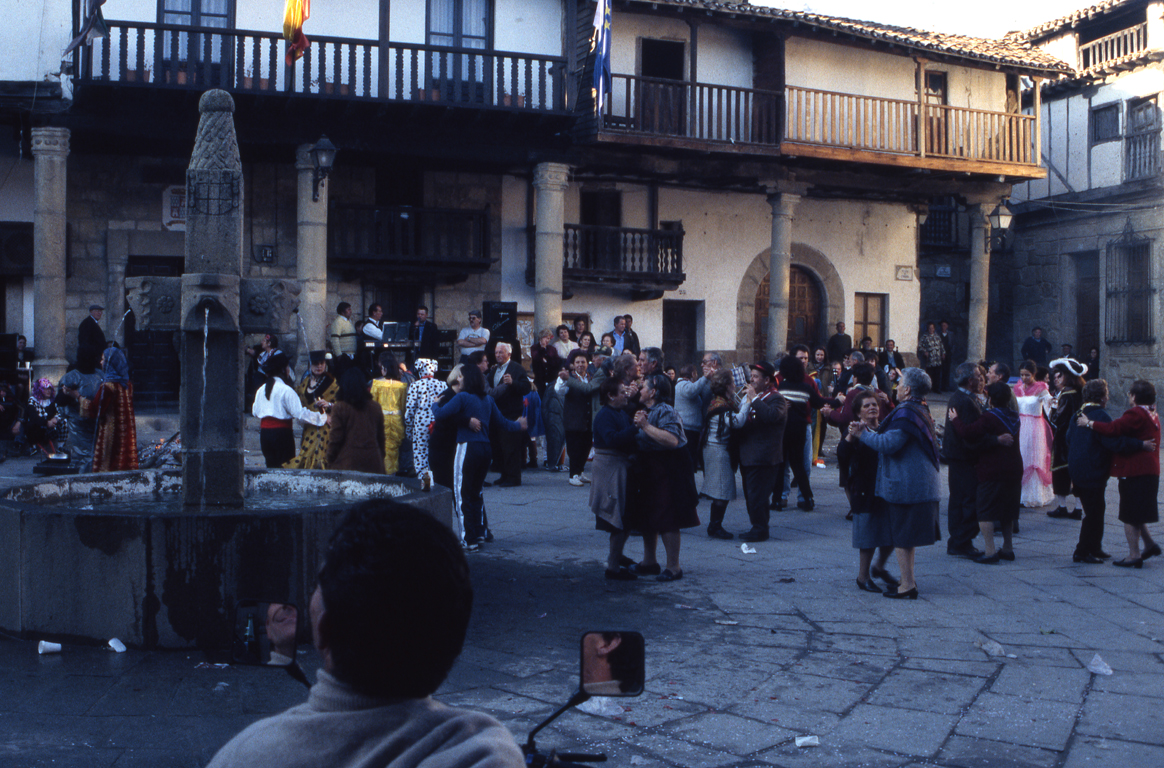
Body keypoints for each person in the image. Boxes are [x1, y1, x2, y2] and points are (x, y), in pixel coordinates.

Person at [205, 500, 526, 768]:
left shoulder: (247, 755)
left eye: (319, 584)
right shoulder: (484, 752)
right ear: (454, 639)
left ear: (325, 630)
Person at [855, 368, 941, 599]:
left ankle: (907, 585)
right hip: (918, 482)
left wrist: (863, 434)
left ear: (908, 389)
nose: (897, 387)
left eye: (900, 383)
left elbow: (888, 444)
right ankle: (907, 581)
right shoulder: (919, 408)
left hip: (908, 484)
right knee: (906, 536)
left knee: (903, 537)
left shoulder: (906, 413)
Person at [433, 362, 526, 549]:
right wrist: (519, 424)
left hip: (467, 447)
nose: (458, 379)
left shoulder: (463, 397)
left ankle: (468, 539)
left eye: (461, 376)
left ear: (467, 379)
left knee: (462, 494)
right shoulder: (488, 400)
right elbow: (503, 423)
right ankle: (480, 532)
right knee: (476, 492)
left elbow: (441, 415)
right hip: (485, 448)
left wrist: (434, 404)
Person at [1080, 379, 1162, 568]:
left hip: (1135, 470)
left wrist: (1089, 423)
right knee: (1137, 512)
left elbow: (1112, 429)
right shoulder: (1152, 412)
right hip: (1149, 470)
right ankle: (1149, 545)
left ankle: (1134, 555)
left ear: (1134, 396)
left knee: (1129, 515)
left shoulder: (1135, 413)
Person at [629, 373, 699, 581]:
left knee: (668, 517)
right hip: (650, 468)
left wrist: (645, 426)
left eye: (643, 387)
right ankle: (649, 562)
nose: (640, 390)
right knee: (648, 514)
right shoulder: (646, 410)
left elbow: (672, 440)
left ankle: (673, 567)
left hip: (669, 469)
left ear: (653, 392)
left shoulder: (666, 411)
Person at [949, 381, 1022, 564]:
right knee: (1008, 510)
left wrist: (955, 419)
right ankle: (1007, 548)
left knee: (985, 510)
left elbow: (968, 432)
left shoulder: (989, 417)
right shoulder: (1015, 416)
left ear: (990, 399)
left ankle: (990, 552)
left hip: (993, 468)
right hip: (1014, 467)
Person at [1065, 379, 1131, 564]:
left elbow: (1068, 438)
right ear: (1102, 397)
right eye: (1106, 395)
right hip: (1093, 469)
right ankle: (1082, 551)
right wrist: (1136, 444)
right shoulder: (1101, 415)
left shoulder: (1078, 413)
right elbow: (1112, 441)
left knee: (1097, 509)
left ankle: (1095, 546)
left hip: (1078, 469)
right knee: (1094, 512)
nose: (1107, 398)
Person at [838, 390, 898, 592]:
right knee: (868, 536)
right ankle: (862, 577)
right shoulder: (855, 432)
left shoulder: (885, 428)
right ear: (858, 412)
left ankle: (879, 567)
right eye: (866, 405)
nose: (872, 408)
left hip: (886, 487)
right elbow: (842, 455)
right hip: (864, 488)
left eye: (874, 404)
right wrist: (851, 435)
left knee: (892, 532)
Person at [773, 354, 838, 512]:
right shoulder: (805, 387)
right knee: (799, 465)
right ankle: (807, 498)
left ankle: (777, 500)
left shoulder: (780, 387)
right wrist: (838, 401)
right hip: (800, 429)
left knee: (781, 465)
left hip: (783, 429)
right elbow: (819, 402)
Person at [734, 361, 788, 542]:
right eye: (751, 376)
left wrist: (754, 399)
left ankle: (760, 529)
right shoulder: (756, 397)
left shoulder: (776, 398)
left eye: (756, 377)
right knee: (751, 495)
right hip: (749, 455)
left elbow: (771, 416)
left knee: (757, 496)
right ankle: (757, 525)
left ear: (767, 380)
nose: (752, 380)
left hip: (764, 456)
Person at [251, 351, 327, 469]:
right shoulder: (286, 390)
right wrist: (322, 418)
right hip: (282, 435)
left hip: (265, 435)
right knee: (285, 469)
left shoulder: (261, 390)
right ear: (284, 370)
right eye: (288, 367)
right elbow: (299, 414)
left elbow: (254, 411)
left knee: (271, 468)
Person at [942, 362, 987, 560]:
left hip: (957, 456)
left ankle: (959, 541)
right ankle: (961, 540)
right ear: (970, 380)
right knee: (968, 500)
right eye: (978, 376)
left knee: (959, 499)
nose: (981, 379)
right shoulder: (965, 401)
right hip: (964, 457)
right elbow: (971, 433)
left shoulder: (960, 397)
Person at [282, 351, 338, 470]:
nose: (319, 366)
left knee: (319, 457)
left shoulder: (332, 382)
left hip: (324, 428)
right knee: (306, 455)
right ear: (310, 365)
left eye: (322, 363)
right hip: (309, 426)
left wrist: (329, 405)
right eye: (316, 363)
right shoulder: (305, 382)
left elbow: (343, 404)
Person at [1047, 358, 1087, 520]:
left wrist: (1052, 409)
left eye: (1060, 375)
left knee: (1061, 472)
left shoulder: (1066, 394)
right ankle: (1078, 508)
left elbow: (1058, 419)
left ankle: (1062, 506)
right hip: (1079, 437)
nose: (1057, 378)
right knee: (1077, 472)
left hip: (1064, 438)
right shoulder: (1082, 392)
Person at [327, 368, 387, 474]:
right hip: (374, 462)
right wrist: (381, 457)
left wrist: (330, 458)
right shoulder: (375, 407)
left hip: (347, 463)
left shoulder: (340, 407)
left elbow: (336, 438)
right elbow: (381, 438)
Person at [487, 342, 531, 487]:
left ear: (509, 354)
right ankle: (504, 475)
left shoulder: (517, 368)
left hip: (511, 413)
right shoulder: (494, 369)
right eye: (496, 352)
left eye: (501, 352)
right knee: (500, 446)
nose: (498, 355)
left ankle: (513, 477)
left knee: (511, 447)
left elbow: (526, 387)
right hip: (497, 413)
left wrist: (513, 383)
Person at [701, 367, 738, 539]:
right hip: (718, 450)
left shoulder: (719, 401)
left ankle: (715, 525)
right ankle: (714, 526)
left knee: (721, 489)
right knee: (722, 489)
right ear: (727, 386)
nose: (735, 385)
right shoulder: (722, 406)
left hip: (714, 448)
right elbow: (737, 422)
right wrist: (749, 402)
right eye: (733, 382)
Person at [1013, 360, 1054, 507]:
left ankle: (1033, 495)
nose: (1024, 378)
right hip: (1020, 426)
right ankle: (1019, 493)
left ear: (1034, 374)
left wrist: (1053, 403)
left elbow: (1050, 406)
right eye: (1022, 375)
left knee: (1033, 457)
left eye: (1027, 375)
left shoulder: (1041, 388)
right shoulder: (1017, 388)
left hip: (1035, 426)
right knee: (1020, 456)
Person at [58, 347, 104, 471]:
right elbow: (60, 400)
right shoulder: (71, 377)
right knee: (85, 455)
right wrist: (69, 394)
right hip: (78, 423)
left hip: (97, 421)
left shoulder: (100, 375)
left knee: (98, 455)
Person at [557, 350, 597, 486]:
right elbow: (559, 390)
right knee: (574, 448)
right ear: (573, 364)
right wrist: (563, 380)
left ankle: (580, 472)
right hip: (573, 419)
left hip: (587, 419)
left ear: (587, 363)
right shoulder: (569, 377)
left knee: (586, 447)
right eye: (578, 362)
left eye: (583, 362)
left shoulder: (591, 377)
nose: (580, 365)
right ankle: (573, 475)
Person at [404, 359, 447, 486]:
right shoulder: (443, 385)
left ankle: (426, 486)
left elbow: (410, 410)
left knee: (421, 456)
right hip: (438, 421)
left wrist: (409, 429)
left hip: (421, 423)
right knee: (438, 454)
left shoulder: (415, 385)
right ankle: (440, 486)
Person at [370, 351, 408, 475]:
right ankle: (393, 474)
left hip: (382, 420)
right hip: (396, 421)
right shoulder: (402, 386)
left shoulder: (376, 384)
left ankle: (384, 473)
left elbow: (373, 405)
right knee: (394, 449)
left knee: (383, 448)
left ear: (384, 369)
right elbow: (403, 406)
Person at [429, 365, 465, 491]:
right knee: (444, 484)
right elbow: (446, 418)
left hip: (450, 445)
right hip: (442, 447)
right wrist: (468, 421)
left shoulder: (460, 395)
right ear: (458, 377)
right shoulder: (446, 396)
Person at [24, 378, 67, 457]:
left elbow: (60, 413)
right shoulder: (32, 401)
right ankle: (33, 447)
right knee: (31, 424)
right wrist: (46, 423)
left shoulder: (52, 401)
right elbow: (33, 418)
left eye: (50, 389)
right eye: (45, 389)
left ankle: (60, 447)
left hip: (51, 428)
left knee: (64, 421)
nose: (48, 391)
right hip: (38, 429)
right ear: (39, 389)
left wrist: (56, 419)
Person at [327, 302, 358, 374]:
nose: (350, 311)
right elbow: (334, 339)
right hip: (344, 356)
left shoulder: (348, 322)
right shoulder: (338, 322)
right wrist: (339, 355)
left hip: (351, 355)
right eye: (348, 309)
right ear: (342, 312)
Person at [917, 322, 944, 393]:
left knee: (937, 374)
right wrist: (924, 351)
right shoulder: (925, 337)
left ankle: (937, 388)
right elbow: (920, 346)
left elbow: (941, 345)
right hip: (930, 359)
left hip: (937, 359)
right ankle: (929, 388)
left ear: (934, 329)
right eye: (930, 328)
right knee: (930, 374)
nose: (931, 329)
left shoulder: (937, 336)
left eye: (932, 328)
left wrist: (943, 353)